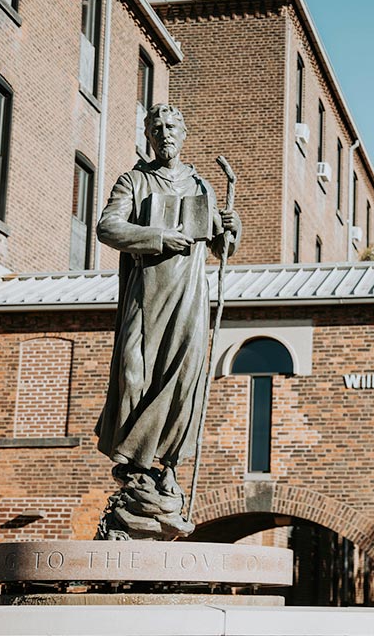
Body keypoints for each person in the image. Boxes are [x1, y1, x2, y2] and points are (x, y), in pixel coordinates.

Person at [95, 103, 241, 500]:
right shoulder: (133, 181)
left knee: (182, 379)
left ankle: (170, 464)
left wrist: (231, 227)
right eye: (156, 128)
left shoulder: (202, 187)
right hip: (146, 295)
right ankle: (132, 461)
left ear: (183, 132)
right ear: (148, 136)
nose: (164, 134)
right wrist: (158, 238)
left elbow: (220, 246)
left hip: (189, 297)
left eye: (171, 126)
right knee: (133, 373)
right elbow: (108, 227)